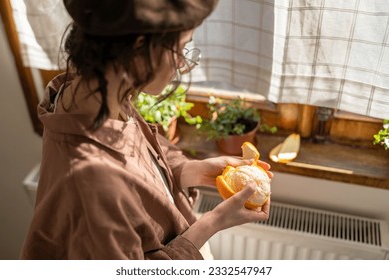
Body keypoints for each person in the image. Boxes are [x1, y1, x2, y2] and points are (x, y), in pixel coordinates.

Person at [21, 0, 272, 260]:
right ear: (139, 47)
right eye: (182, 48)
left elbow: (138, 160)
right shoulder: (92, 182)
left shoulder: (92, 92)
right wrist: (213, 223)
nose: (183, 64)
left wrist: (187, 171)